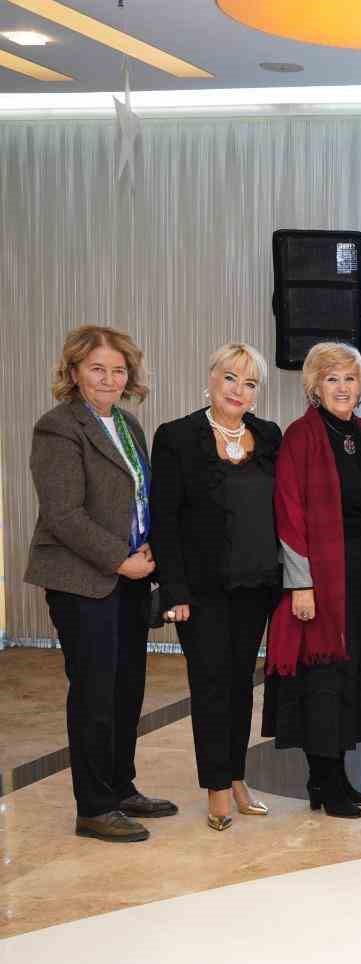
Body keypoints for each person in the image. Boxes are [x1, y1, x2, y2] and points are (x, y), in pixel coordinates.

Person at [27, 325, 175, 842]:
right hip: (82, 580)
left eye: (118, 370)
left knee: (127, 686)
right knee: (94, 692)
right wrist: (119, 559)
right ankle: (93, 807)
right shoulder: (57, 427)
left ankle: (120, 787)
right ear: (74, 373)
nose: (110, 379)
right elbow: (63, 515)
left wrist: (150, 549)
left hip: (131, 576)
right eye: (97, 369)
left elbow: (141, 498)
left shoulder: (128, 425)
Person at [149, 342, 281, 832]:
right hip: (200, 590)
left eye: (249, 383)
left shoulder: (269, 436)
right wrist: (174, 590)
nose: (238, 390)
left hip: (256, 583)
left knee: (241, 685)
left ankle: (237, 776)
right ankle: (217, 788)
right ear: (210, 378)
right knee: (209, 685)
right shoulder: (177, 437)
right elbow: (164, 520)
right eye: (230, 378)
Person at [263, 342, 361, 819]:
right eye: (332, 379)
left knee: (351, 674)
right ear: (315, 386)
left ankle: (336, 777)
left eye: (350, 378)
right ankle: (324, 781)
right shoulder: (301, 436)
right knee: (323, 679)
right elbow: (289, 511)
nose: (343, 387)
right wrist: (301, 584)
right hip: (319, 576)